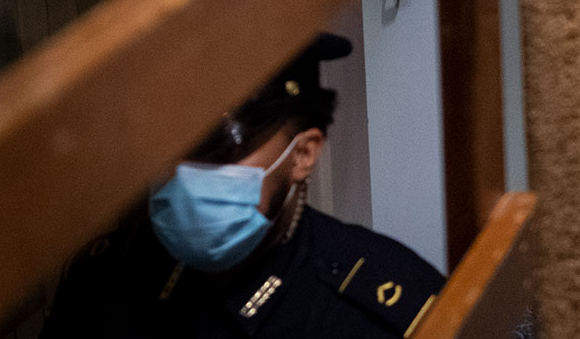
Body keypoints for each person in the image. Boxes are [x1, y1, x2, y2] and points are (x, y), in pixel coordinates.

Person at [40, 33, 445, 339]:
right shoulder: (105, 277)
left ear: (303, 154)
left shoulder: (375, 311)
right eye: (168, 146)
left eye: (220, 152)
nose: (185, 173)